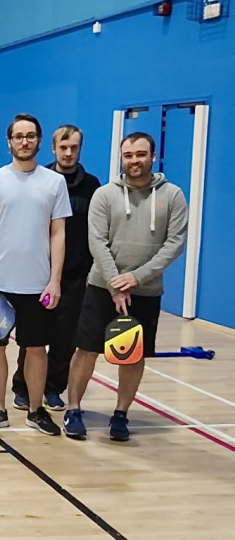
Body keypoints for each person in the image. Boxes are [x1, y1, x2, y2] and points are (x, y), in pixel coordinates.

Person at [63, 132, 188, 441]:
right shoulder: (105, 194)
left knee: (133, 356)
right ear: (122, 158)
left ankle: (121, 414)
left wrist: (136, 278)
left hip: (145, 292)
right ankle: (74, 409)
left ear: (152, 157)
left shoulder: (172, 196)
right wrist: (115, 283)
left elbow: (174, 244)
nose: (135, 160)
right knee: (87, 350)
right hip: (102, 288)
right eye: (129, 155)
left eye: (140, 154)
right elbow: (97, 241)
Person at [0, 114, 71, 436]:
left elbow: (58, 234)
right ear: (9, 142)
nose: (24, 141)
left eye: (30, 136)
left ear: (39, 141)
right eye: (18, 136)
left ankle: (36, 410)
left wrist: (54, 280)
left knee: (37, 349)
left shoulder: (55, 183)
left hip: (37, 284)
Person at [10, 125, 101, 412]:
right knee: (33, 336)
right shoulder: (41, 181)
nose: (68, 152)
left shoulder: (92, 186)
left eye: (74, 147)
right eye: (63, 147)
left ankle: (52, 389)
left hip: (75, 275)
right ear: (53, 148)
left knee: (65, 338)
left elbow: (97, 231)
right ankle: (23, 387)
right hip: (37, 272)